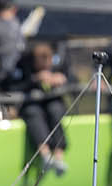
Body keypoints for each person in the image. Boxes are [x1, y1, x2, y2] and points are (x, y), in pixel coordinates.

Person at [7, 40, 70, 176]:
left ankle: (59, 157)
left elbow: (73, 79)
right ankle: (45, 154)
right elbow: (11, 86)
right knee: (33, 113)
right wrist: (35, 79)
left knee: (55, 110)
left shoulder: (58, 63)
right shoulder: (22, 64)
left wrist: (61, 80)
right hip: (30, 103)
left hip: (51, 101)